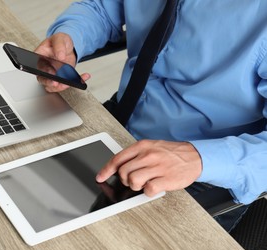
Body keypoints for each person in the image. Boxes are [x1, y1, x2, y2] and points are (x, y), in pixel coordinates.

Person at [35, 0, 267, 230]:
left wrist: (199, 158)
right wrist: (71, 39)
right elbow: (103, 8)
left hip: (199, 170)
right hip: (121, 116)